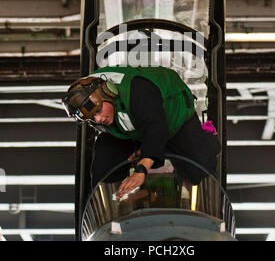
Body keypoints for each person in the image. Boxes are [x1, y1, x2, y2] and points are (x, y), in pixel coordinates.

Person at [62, 66, 220, 199]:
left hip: (173, 120)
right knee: (104, 170)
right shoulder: (98, 108)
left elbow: (156, 128)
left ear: (108, 93)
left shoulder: (138, 90)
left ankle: (203, 141)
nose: (98, 119)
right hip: (129, 130)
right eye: (92, 118)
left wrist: (142, 169)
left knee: (199, 171)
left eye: (98, 111)